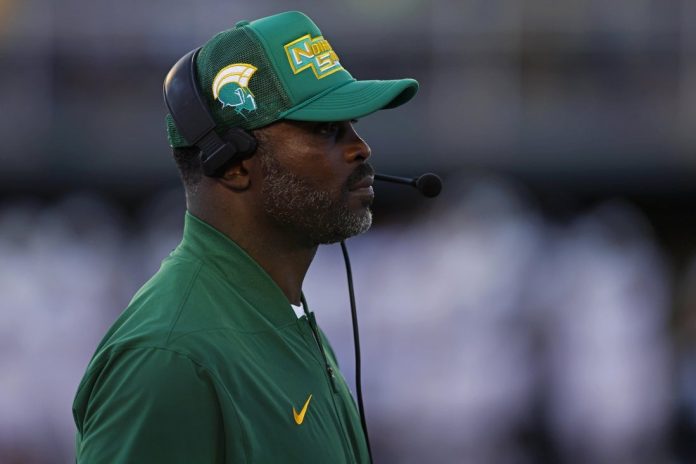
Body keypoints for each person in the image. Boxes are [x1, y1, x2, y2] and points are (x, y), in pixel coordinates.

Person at [72, 10, 418, 463]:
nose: (360, 147)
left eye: (352, 125)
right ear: (232, 163)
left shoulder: (281, 318)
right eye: (326, 129)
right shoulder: (171, 357)